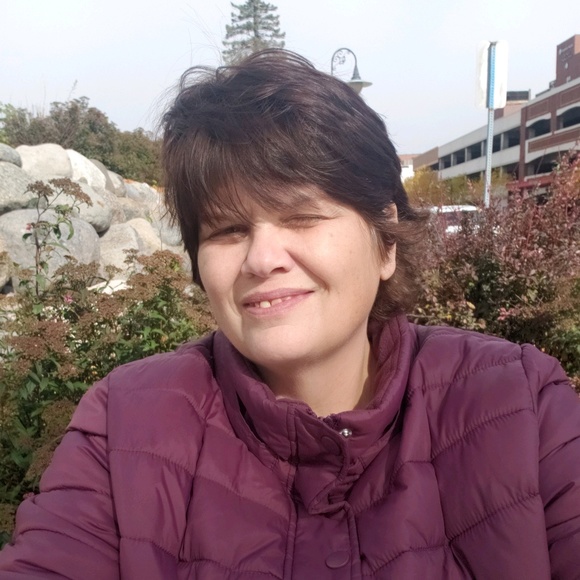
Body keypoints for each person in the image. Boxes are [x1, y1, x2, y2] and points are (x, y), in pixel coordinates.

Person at [1, 50, 579, 580]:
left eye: (301, 217)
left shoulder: (522, 407)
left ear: (385, 241)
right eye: (229, 229)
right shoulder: (125, 425)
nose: (262, 259)